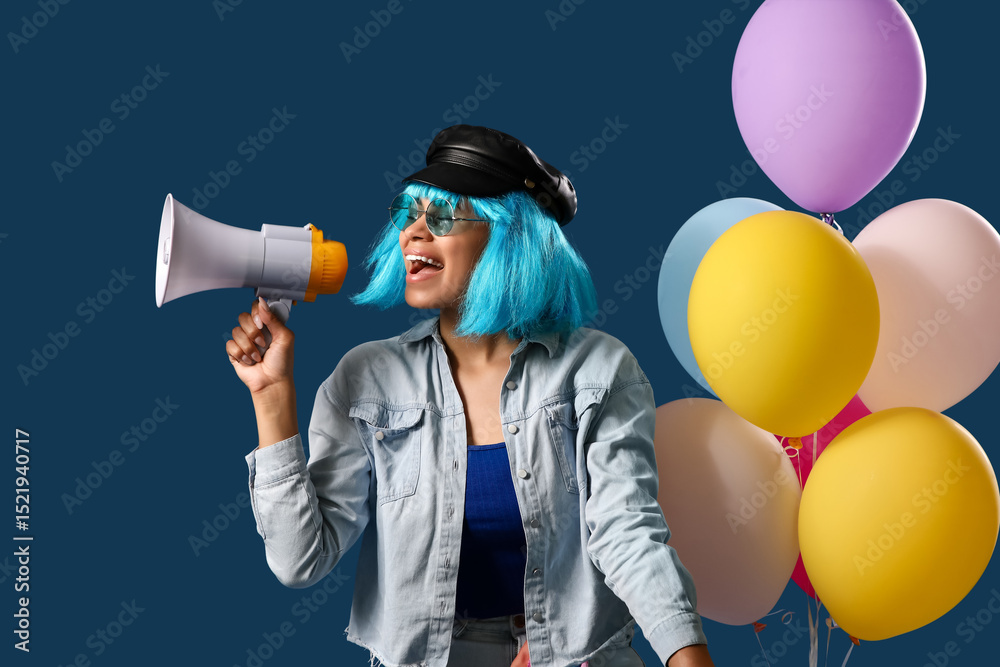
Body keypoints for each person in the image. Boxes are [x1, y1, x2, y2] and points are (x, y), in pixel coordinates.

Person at [227, 125, 714, 667]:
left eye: (441, 217)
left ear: (509, 237)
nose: (413, 233)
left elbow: (628, 533)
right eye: (408, 214)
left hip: (577, 657)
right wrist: (271, 395)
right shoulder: (365, 379)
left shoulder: (598, 371)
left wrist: (686, 658)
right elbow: (299, 561)